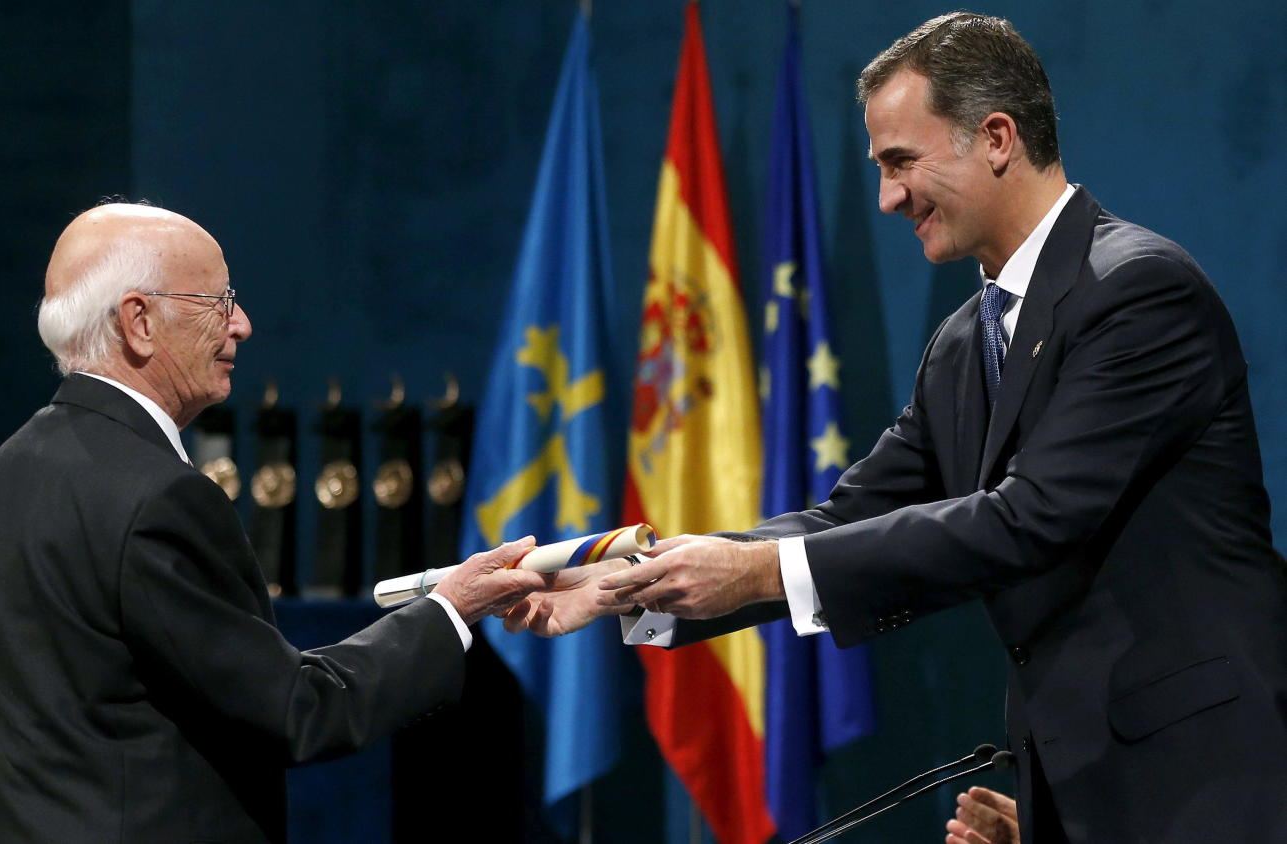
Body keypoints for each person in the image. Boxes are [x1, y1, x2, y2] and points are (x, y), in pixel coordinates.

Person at [507, 12, 1287, 843]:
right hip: (1081, 795)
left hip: (1208, 788)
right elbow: (850, 519)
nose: (887, 198)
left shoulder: (1139, 292)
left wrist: (756, 569)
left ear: (995, 137)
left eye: (900, 162)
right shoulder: (963, 345)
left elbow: (1031, 519)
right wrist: (630, 582)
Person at [0, 203, 548, 843]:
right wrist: (451, 610)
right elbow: (296, 711)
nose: (242, 324)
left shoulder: (10, 469)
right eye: (219, 300)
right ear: (139, 322)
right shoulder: (159, 498)